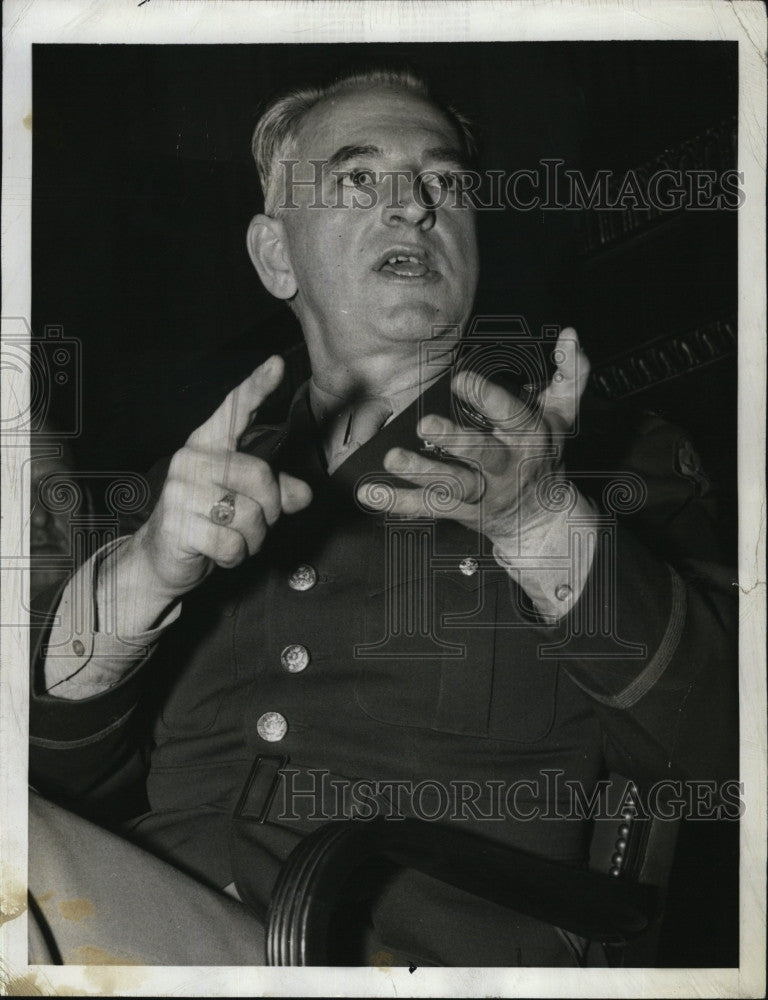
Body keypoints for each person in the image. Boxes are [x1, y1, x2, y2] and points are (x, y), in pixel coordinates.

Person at [28, 69, 737, 967]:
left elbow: (722, 756)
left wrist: (538, 525)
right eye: (358, 179)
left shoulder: (604, 457)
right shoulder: (199, 486)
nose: (413, 206)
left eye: (444, 182)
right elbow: (53, 784)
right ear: (276, 255)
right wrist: (135, 588)